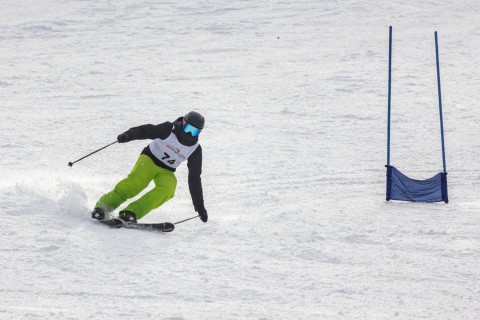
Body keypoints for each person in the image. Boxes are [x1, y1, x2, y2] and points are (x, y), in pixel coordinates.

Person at [91, 111, 208, 224]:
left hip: (167, 170)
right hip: (149, 159)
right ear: (183, 122)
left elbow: (194, 178)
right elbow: (147, 130)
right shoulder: (168, 129)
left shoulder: (195, 150)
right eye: (188, 129)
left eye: (195, 132)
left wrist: (200, 207)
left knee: (168, 189)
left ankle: (130, 213)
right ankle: (103, 207)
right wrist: (129, 135)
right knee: (136, 184)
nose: (189, 134)